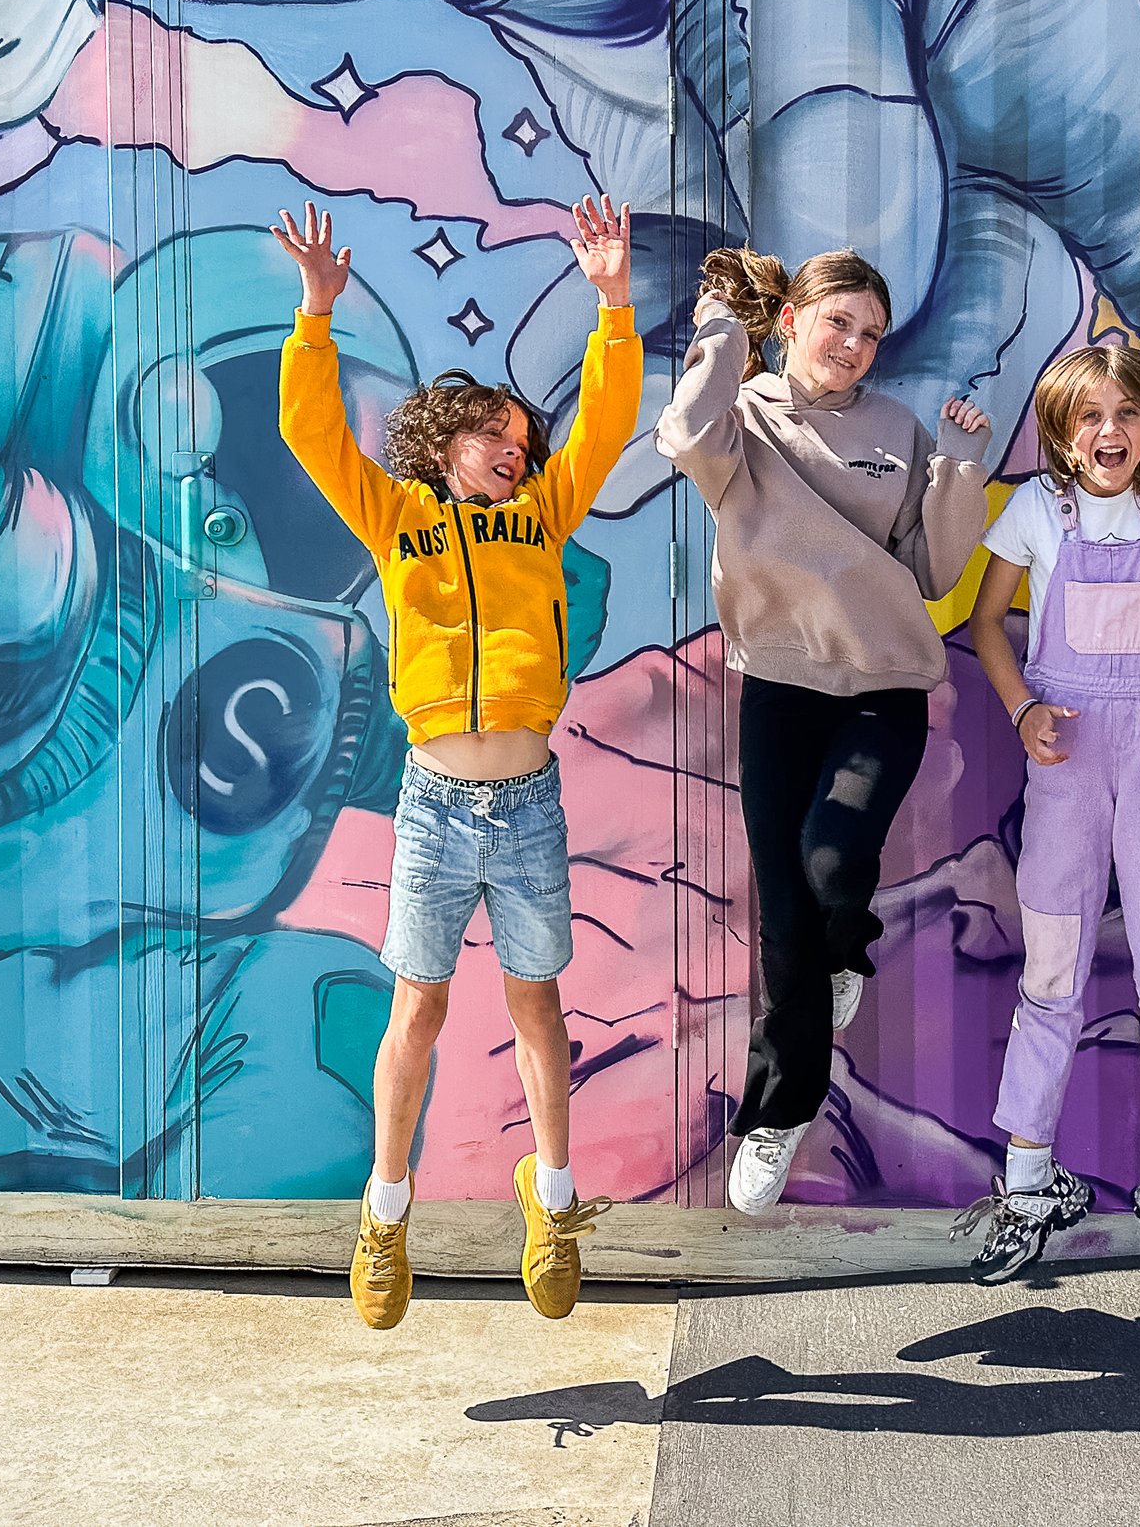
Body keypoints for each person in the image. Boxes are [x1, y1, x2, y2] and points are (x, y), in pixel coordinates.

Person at [274, 196, 641, 1326]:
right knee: (418, 1011)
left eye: (524, 444)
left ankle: (556, 1195)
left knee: (539, 1006)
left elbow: (606, 427)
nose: (517, 451)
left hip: (527, 801)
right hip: (434, 804)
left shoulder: (542, 514)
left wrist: (612, 302)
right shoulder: (397, 520)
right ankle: (384, 1216)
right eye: (495, 437)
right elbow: (312, 434)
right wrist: (315, 318)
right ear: (444, 443)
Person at [656, 245, 990, 1215]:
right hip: (780, 689)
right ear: (792, 319)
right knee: (787, 917)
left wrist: (960, 468)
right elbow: (682, 432)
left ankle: (851, 950)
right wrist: (722, 325)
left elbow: (936, 569)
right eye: (837, 322)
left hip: (884, 685)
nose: (853, 345)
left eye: (871, 334)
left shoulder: (897, 427)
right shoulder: (741, 421)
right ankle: (777, 1113)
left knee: (834, 867)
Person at [952, 344, 1140, 1308]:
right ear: (1061, 429)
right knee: (1051, 973)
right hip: (1067, 764)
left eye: (1127, 415)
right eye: (1089, 416)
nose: (1109, 433)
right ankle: (1029, 1184)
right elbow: (986, 621)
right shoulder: (1040, 509)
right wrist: (1020, 710)